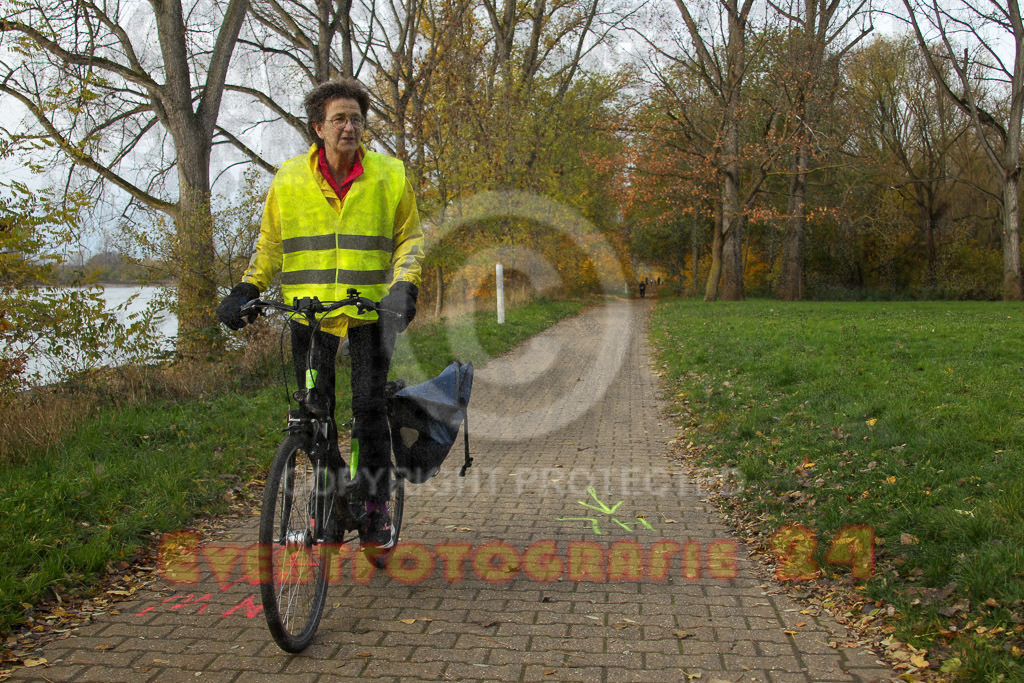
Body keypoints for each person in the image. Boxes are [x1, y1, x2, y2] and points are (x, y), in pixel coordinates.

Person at [216, 78, 424, 549]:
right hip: (309, 316)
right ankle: (331, 504)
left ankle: (374, 509)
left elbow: (409, 238)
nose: (350, 127)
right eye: (339, 119)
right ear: (318, 128)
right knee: (315, 415)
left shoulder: (390, 175)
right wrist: (248, 286)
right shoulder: (289, 178)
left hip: (370, 312)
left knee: (369, 410)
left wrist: (404, 287)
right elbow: (271, 244)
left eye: (356, 118)